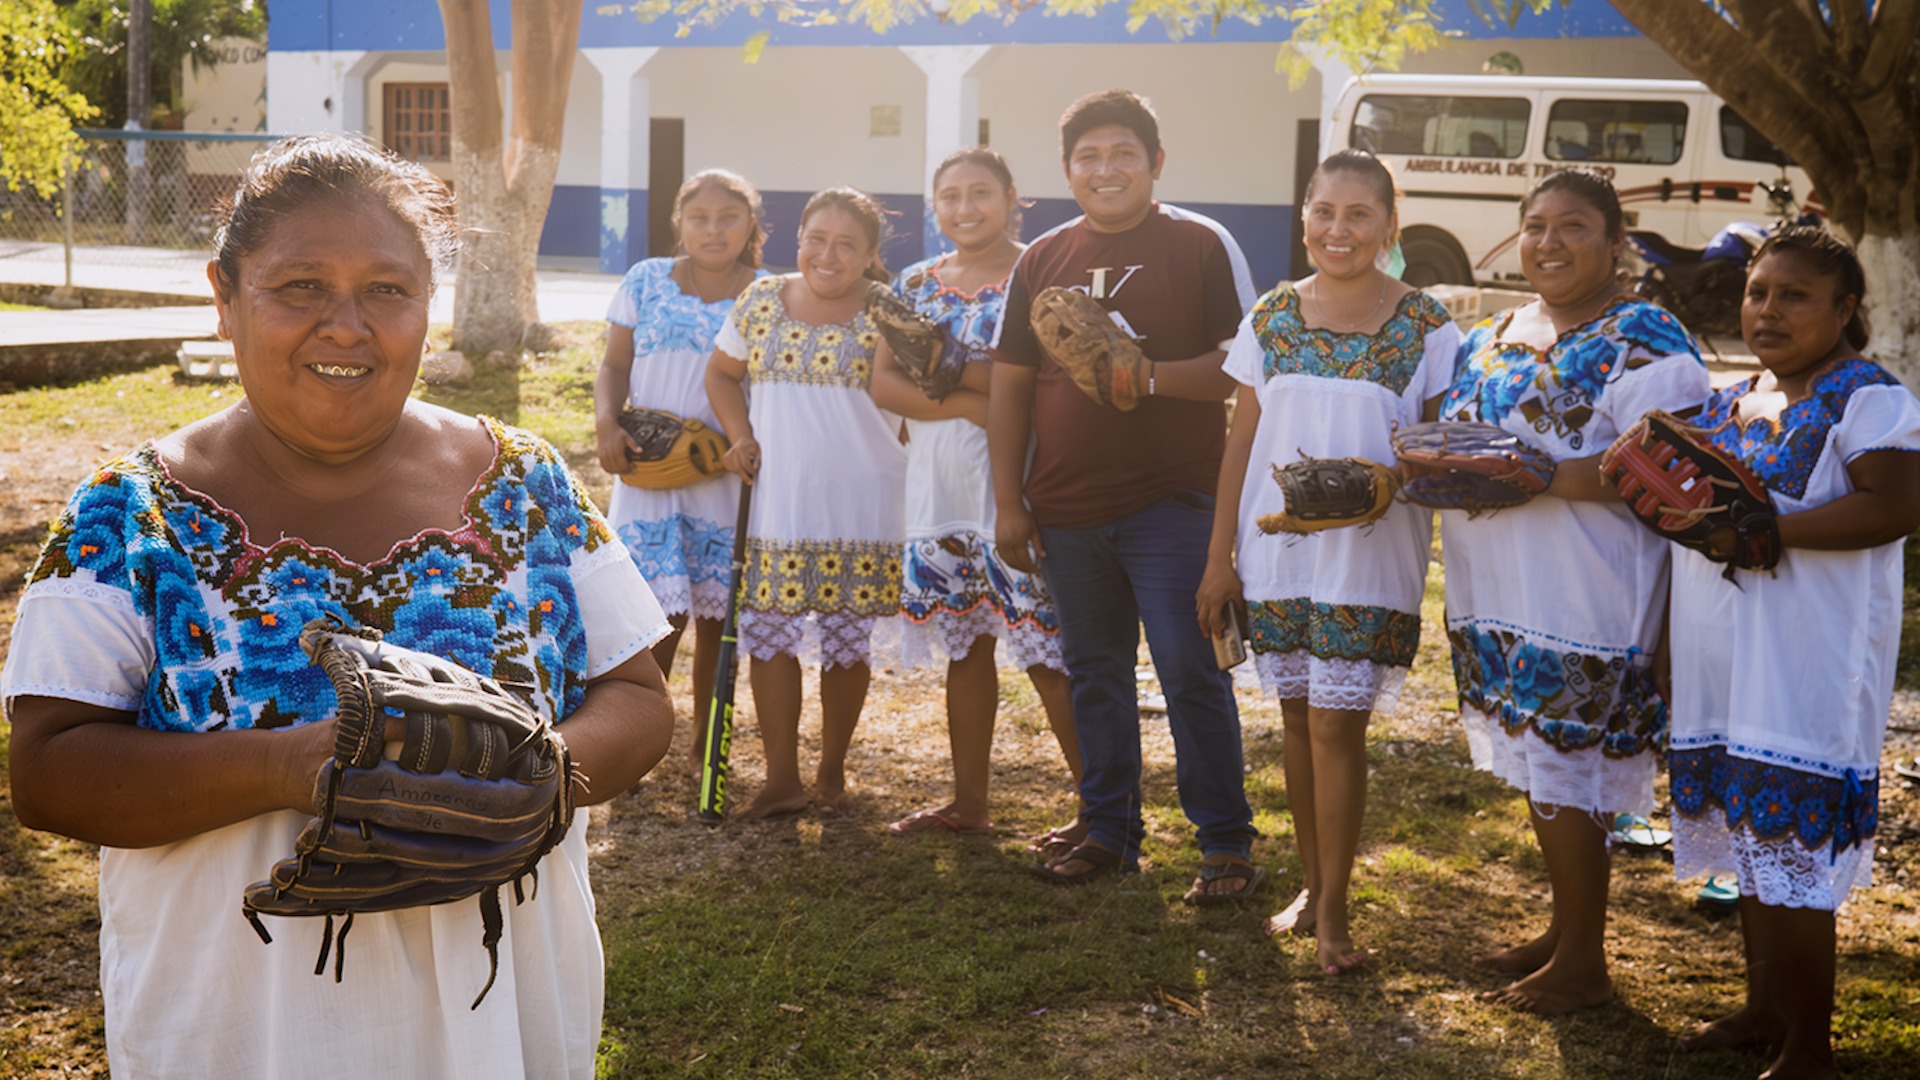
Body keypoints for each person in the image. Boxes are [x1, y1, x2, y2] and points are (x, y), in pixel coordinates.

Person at [0, 134, 676, 1078]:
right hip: (242, 1037)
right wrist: (287, 766)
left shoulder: (525, 483)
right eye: (301, 286)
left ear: (428, 308)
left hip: (501, 1026)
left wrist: (549, 777)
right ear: (226, 299)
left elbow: (638, 697)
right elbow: (47, 773)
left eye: (387, 290)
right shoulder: (129, 512)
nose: (347, 325)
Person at [1437, 166, 1709, 1013]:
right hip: (1500, 579)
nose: (1548, 242)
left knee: (1570, 765)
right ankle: (1566, 932)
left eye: (1573, 227)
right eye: (1534, 225)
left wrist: (1532, 474)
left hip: (1591, 585)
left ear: (1616, 240)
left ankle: (1584, 963)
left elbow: (1672, 470)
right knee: (1542, 765)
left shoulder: (1645, 336)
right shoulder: (1497, 329)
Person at [989, 89, 1261, 899]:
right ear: (1068, 169)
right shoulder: (1040, 258)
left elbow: (1243, 369)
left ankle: (1225, 843)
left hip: (1172, 501)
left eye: (1123, 155)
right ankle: (1109, 828)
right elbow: (1010, 385)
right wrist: (1010, 498)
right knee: (1094, 673)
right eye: (1088, 157)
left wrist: (1145, 376)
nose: (1105, 170)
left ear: (1156, 163)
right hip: (1067, 506)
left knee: (1190, 671)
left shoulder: (1199, 244)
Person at [1665, 226, 1920, 1078]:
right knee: (1749, 844)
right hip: (1723, 656)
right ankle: (1764, 1007)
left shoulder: (1867, 398)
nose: (1767, 309)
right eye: (1757, 292)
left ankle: (1810, 1043)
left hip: (1809, 661)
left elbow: (1892, 506)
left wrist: (1767, 532)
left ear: (1846, 308)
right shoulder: (1732, 398)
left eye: (1795, 295)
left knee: (1793, 852)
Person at [1196, 149, 1459, 970]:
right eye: (1322, 212)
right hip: (1273, 552)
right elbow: (1240, 444)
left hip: (1369, 556)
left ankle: (1336, 916)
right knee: (1299, 722)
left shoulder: (1427, 324)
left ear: (1390, 223)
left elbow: (1440, 450)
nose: (1337, 229)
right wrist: (1219, 559)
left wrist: (1397, 477)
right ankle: (1313, 886)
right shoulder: (1271, 315)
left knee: (1339, 726)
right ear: (1303, 215)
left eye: (1357, 214)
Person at [870, 148, 1083, 839]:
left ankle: (1103, 810)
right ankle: (969, 804)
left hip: (1020, 486)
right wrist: (969, 401)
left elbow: (1051, 382)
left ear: (1013, 196)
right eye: (951, 196)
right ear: (935, 205)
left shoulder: (1043, 271)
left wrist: (964, 377)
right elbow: (885, 384)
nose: (966, 208)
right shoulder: (914, 283)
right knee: (967, 649)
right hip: (940, 492)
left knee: (1049, 656)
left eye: (981, 193)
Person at [705, 187, 908, 820]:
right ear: (798, 241)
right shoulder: (761, 300)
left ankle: (831, 773)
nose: (828, 254)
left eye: (847, 244)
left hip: (864, 506)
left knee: (848, 643)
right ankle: (782, 779)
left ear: (872, 255)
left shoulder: (890, 311)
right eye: (816, 238)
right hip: (781, 505)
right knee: (770, 639)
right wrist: (740, 437)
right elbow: (721, 374)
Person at [594, 169, 766, 776]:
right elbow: (614, 366)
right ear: (679, 223)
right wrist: (607, 425)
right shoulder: (645, 280)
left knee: (719, 617)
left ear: (751, 225)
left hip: (725, 475)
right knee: (649, 619)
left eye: (728, 217)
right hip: (648, 472)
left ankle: (705, 752)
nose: (713, 229)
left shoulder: (766, 294)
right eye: (700, 217)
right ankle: (639, 750)